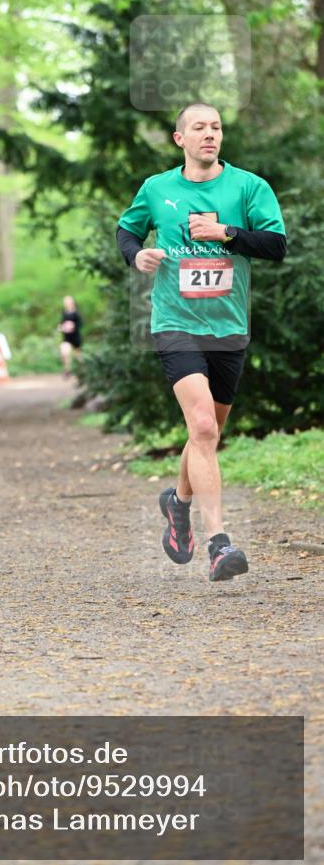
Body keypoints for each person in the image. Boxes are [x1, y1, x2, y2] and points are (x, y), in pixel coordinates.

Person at [116, 102, 286, 583]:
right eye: (199, 128)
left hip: (228, 328)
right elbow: (126, 231)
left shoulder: (248, 187)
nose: (209, 135)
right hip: (176, 324)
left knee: (206, 432)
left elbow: (276, 245)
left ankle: (178, 502)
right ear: (180, 140)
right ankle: (219, 544)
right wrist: (137, 256)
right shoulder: (157, 189)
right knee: (204, 429)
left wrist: (227, 233)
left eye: (215, 127)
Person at [59, 295, 83, 376]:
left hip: (75, 336)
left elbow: (80, 324)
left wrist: (73, 326)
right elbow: (62, 322)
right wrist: (61, 327)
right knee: (65, 353)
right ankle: (67, 370)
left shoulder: (76, 313)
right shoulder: (64, 312)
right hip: (67, 337)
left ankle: (82, 370)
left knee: (78, 355)